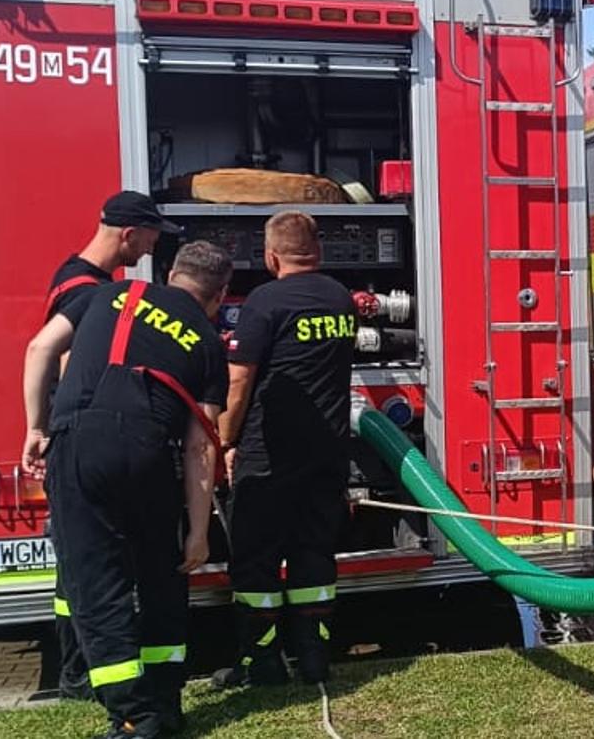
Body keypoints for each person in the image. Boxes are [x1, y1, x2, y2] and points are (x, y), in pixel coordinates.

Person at [21, 242, 231, 739]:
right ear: (219, 297)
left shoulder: (108, 294)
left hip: (80, 446)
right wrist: (198, 533)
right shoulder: (207, 342)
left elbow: (40, 348)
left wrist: (35, 426)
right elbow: (202, 446)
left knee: (97, 586)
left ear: (170, 274)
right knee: (161, 577)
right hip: (151, 454)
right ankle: (165, 702)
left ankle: (135, 717)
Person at [38, 191, 183, 701]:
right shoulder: (89, 291)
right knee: (95, 570)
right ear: (128, 234)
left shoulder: (73, 276)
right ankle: (81, 675)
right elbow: (63, 363)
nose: (152, 247)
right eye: (150, 237)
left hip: (72, 445)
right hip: (86, 444)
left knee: (76, 566)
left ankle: (74, 669)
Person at [211, 211, 358, 689]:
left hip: (268, 454)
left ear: (271, 256)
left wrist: (224, 440)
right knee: (313, 553)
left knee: (256, 558)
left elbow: (239, 378)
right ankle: (314, 660)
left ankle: (263, 664)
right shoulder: (340, 299)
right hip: (328, 453)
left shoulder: (264, 302)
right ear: (318, 251)